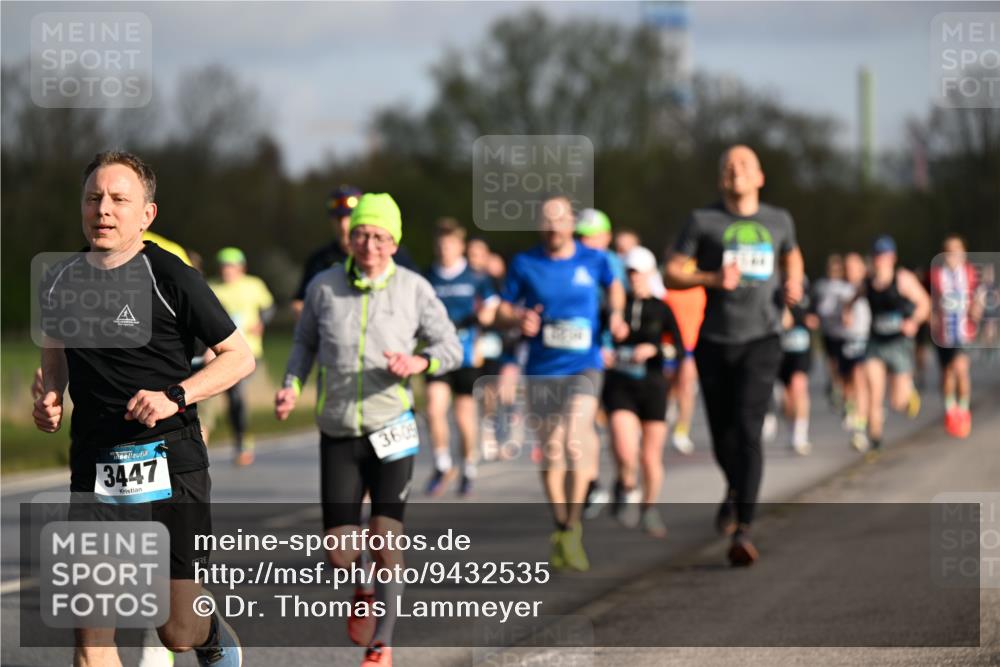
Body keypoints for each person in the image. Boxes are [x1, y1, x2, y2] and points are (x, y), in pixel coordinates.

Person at [34, 150, 254, 667]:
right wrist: (48, 396)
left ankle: (212, 637)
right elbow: (54, 359)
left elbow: (238, 357)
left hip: (170, 461)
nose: (103, 210)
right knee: (92, 641)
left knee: (177, 630)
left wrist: (175, 394)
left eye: (118, 199)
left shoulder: (171, 276)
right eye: (93, 199)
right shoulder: (61, 281)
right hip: (95, 465)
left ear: (146, 215)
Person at [274, 193, 461, 667]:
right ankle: (362, 584)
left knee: (385, 535)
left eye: (380, 237)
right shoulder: (323, 286)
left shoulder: (415, 289)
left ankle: (383, 643)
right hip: (338, 428)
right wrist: (291, 385)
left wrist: (419, 360)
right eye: (362, 234)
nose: (370, 245)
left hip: (392, 426)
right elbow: (303, 343)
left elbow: (451, 348)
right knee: (339, 550)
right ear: (350, 238)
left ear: (394, 242)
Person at [664, 145, 804, 567]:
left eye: (743, 164)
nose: (734, 170)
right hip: (714, 339)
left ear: (759, 176)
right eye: (726, 166)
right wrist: (710, 277)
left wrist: (794, 285)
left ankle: (744, 527)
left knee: (748, 426)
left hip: (763, 338)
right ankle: (734, 488)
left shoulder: (779, 220)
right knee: (724, 434)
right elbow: (671, 270)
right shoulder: (702, 221)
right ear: (720, 179)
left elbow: (791, 253)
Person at [498, 195, 627, 571]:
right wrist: (518, 317)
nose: (554, 226)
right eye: (546, 220)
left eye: (560, 219)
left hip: (584, 365)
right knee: (552, 449)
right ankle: (563, 522)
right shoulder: (525, 263)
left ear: (572, 222)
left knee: (574, 435)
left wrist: (616, 315)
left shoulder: (594, 258)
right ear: (540, 225)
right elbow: (504, 307)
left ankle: (573, 525)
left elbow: (615, 285)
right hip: (542, 368)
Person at [602, 246, 683, 537]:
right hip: (620, 385)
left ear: (650, 274)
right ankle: (626, 484)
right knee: (625, 450)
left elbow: (680, 347)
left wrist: (655, 348)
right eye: (629, 273)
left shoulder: (662, 308)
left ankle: (649, 509)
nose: (634, 278)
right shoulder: (613, 308)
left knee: (650, 456)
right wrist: (605, 351)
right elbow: (597, 339)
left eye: (639, 273)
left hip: (652, 385)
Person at [424, 219, 499, 496]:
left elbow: (492, 304)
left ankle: (468, 466)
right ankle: (442, 463)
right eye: (441, 245)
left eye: (450, 244)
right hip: (437, 351)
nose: (445, 250)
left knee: (464, 417)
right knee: (433, 408)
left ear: (460, 246)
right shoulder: (428, 276)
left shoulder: (475, 276)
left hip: (467, 354)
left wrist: (485, 318)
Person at [292, 186, 416, 318]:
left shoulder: (394, 254)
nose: (343, 224)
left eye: (349, 216)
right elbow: (299, 303)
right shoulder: (319, 259)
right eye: (338, 218)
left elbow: (416, 295)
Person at [861, 235, 930, 453]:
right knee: (874, 392)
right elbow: (854, 298)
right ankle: (875, 440)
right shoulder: (867, 282)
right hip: (876, 344)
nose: (880, 260)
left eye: (885, 255)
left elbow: (925, 304)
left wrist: (913, 322)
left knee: (897, 403)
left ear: (893, 257)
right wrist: (846, 311)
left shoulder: (903, 279)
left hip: (899, 345)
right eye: (877, 255)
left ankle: (908, 393)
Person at [209, 247, 274, 466]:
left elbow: (269, 306)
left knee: (237, 395)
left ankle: (242, 441)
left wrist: (262, 322)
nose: (227, 271)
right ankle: (239, 439)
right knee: (233, 400)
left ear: (241, 268)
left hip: (250, 351)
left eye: (232, 267)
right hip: (222, 354)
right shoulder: (213, 287)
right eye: (224, 267)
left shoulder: (253, 285)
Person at [929, 234, 981, 438]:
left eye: (957, 249)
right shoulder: (935, 274)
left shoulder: (969, 273)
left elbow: (978, 296)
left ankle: (964, 410)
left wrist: (976, 309)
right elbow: (929, 300)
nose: (953, 254)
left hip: (963, 330)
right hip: (943, 333)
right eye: (949, 250)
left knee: (960, 368)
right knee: (948, 373)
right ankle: (950, 410)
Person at [663, 258, 706, 455]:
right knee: (670, 385)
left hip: (691, 343)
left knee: (686, 387)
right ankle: (667, 413)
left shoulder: (701, 290)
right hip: (669, 343)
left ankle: (681, 430)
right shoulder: (667, 289)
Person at [837, 252, 873, 451]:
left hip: (864, 340)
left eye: (854, 267)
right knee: (847, 384)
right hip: (844, 341)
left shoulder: (869, 288)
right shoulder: (840, 289)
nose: (850, 271)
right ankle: (850, 410)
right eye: (847, 267)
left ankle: (859, 431)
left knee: (860, 380)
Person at [777, 281, 815, 455]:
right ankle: (792, 427)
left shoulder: (805, 286)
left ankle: (800, 435)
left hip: (801, 348)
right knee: (785, 398)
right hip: (780, 351)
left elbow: (815, 316)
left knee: (798, 385)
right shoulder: (773, 285)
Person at [812, 254, 851, 408]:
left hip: (843, 333)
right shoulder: (821, 285)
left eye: (837, 268)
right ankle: (835, 386)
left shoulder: (846, 286)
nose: (834, 271)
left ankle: (843, 391)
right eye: (831, 268)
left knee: (844, 366)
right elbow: (813, 304)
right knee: (831, 363)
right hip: (827, 330)